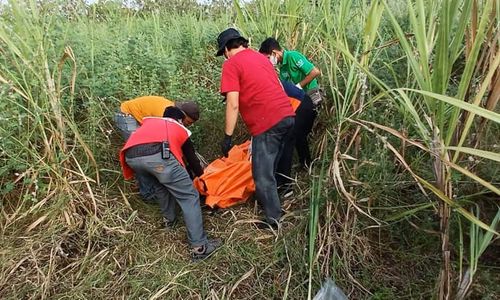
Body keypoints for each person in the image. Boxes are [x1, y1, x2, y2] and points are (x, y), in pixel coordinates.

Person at [216, 28, 295, 229]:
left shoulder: (231, 64)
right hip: (287, 116)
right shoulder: (261, 58)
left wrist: (227, 137)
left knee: (262, 175)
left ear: (226, 49)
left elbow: (233, 103)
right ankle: (279, 200)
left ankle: (273, 221)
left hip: (267, 123)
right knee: (274, 165)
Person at [119, 106, 221, 260]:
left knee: (161, 188)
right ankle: (200, 247)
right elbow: (192, 159)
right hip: (157, 155)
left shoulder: (149, 123)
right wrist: (202, 177)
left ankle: (170, 222)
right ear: (180, 120)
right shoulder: (178, 127)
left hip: (131, 157)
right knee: (189, 196)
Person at [276, 80, 317, 197]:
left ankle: (285, 185)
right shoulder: (265, 77)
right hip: (303, 103)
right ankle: (306, 165)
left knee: (287, 141)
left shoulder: (260, 86)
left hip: (301, 105)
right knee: (298, 137)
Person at [259, 38, 323, 106]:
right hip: (301, 95)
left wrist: (299, 86)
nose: (268, 62)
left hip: (312, 92)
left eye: (268, 58)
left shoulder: (293, 56)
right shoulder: (282, 67)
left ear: (274, 53)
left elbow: (315, 72)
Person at [114, 95, 200, 140]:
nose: (187, 125)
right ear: (182, 114)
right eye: (188, 122)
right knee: (136, 147)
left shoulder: (170, 110)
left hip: (137, 118)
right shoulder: (165, 113)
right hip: (126, 115)